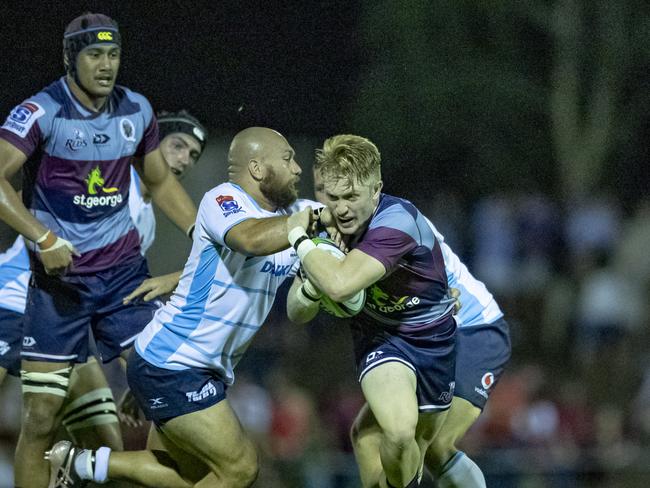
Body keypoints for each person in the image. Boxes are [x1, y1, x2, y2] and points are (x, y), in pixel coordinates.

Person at [45, 126, 332, 488]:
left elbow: (344, 223)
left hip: (193, 367)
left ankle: (80, 463)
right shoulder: (224, 201)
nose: (297, 170)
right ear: (257, 168)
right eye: (288, 159)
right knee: (241, 468)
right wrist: (313, 221)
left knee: (186, 476)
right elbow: (249, 239)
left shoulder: (296, 215)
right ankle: (80, 463)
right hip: (177, 362)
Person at [0, 13, 197, 487]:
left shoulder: (137, 111)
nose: (106, 65)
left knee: (165, 392)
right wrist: (43, 237)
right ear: (71, 58)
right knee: (42, 416)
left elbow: (157, 178)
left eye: (113, 54)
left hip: (122, 281)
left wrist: (202, 232)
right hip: (54, 287)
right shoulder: (41, 112)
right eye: (94, 54)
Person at [0, 110, 208, 445]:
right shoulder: (110, 175)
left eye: (193, 155)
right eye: (178, 145)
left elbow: (118, 296)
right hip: (12, 299)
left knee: (102, 451)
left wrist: (140, 378)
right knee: (39, 425)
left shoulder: (147, 222)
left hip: (65, 326)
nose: (184, 160)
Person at [286, 134, 457, 488]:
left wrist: (300, 241)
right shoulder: (322, 228)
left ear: (376, 190)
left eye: (352, 196)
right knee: (397, 432)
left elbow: (340, 284)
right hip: (381, 337)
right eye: (332, 197)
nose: (342, 208)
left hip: (433, 339)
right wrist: (309, 284)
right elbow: (296, 313)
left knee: (414, 445)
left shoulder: (397, 221)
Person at [350, 218, 511, 487]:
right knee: (365, 435)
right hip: (424, 337)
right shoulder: (349, 232)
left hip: (474, 328)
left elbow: (447, 293)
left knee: (434, 445)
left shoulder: (400, 224)